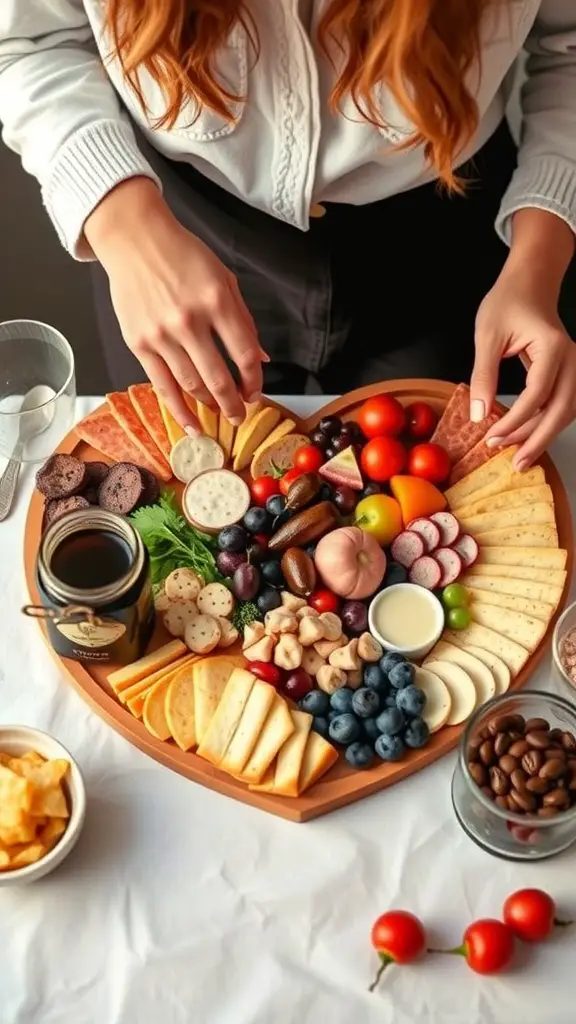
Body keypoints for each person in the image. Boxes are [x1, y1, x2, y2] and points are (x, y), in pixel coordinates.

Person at [1, 2, 575, 470]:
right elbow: (30, 42)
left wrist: (538, 262)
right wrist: (125, 228)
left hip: (443, 242)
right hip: (176, 233)